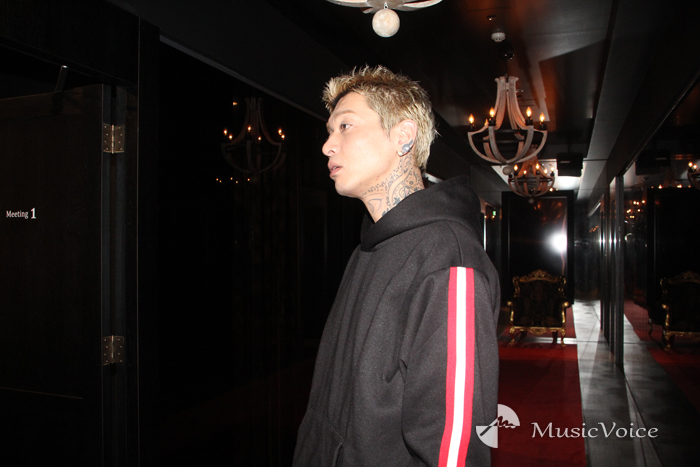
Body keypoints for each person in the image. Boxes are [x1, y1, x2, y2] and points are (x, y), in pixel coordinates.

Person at [294, 66, 500, 467]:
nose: (327, 146)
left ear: (403, 136)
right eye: (329, 131)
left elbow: (453, 453)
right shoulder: (367, 249)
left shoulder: (449, 259)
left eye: (345, 126)